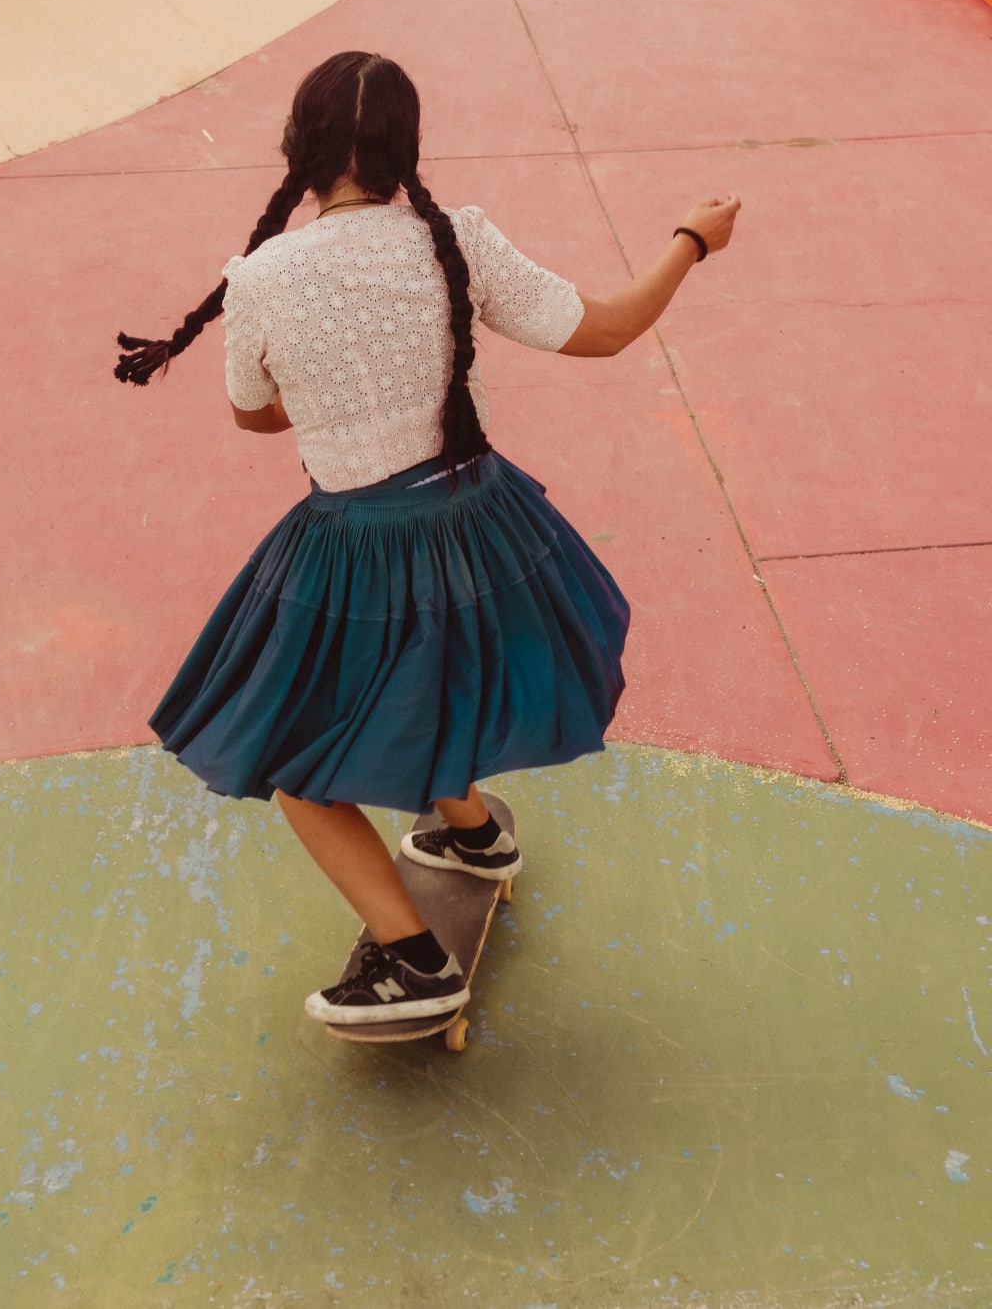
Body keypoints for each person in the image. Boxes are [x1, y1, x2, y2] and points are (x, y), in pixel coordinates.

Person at [115, 51, 740, 1027]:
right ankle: (474, 833)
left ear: (298, 151)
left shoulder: (263, 277)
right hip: (485, 523)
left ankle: (413, 963)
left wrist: (336, 398)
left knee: (294, 761)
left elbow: (256, 416)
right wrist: (691, 240)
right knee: (438, 669)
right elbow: (611, 329)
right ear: (409, 152)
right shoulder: (458, 240)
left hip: (362, 542)